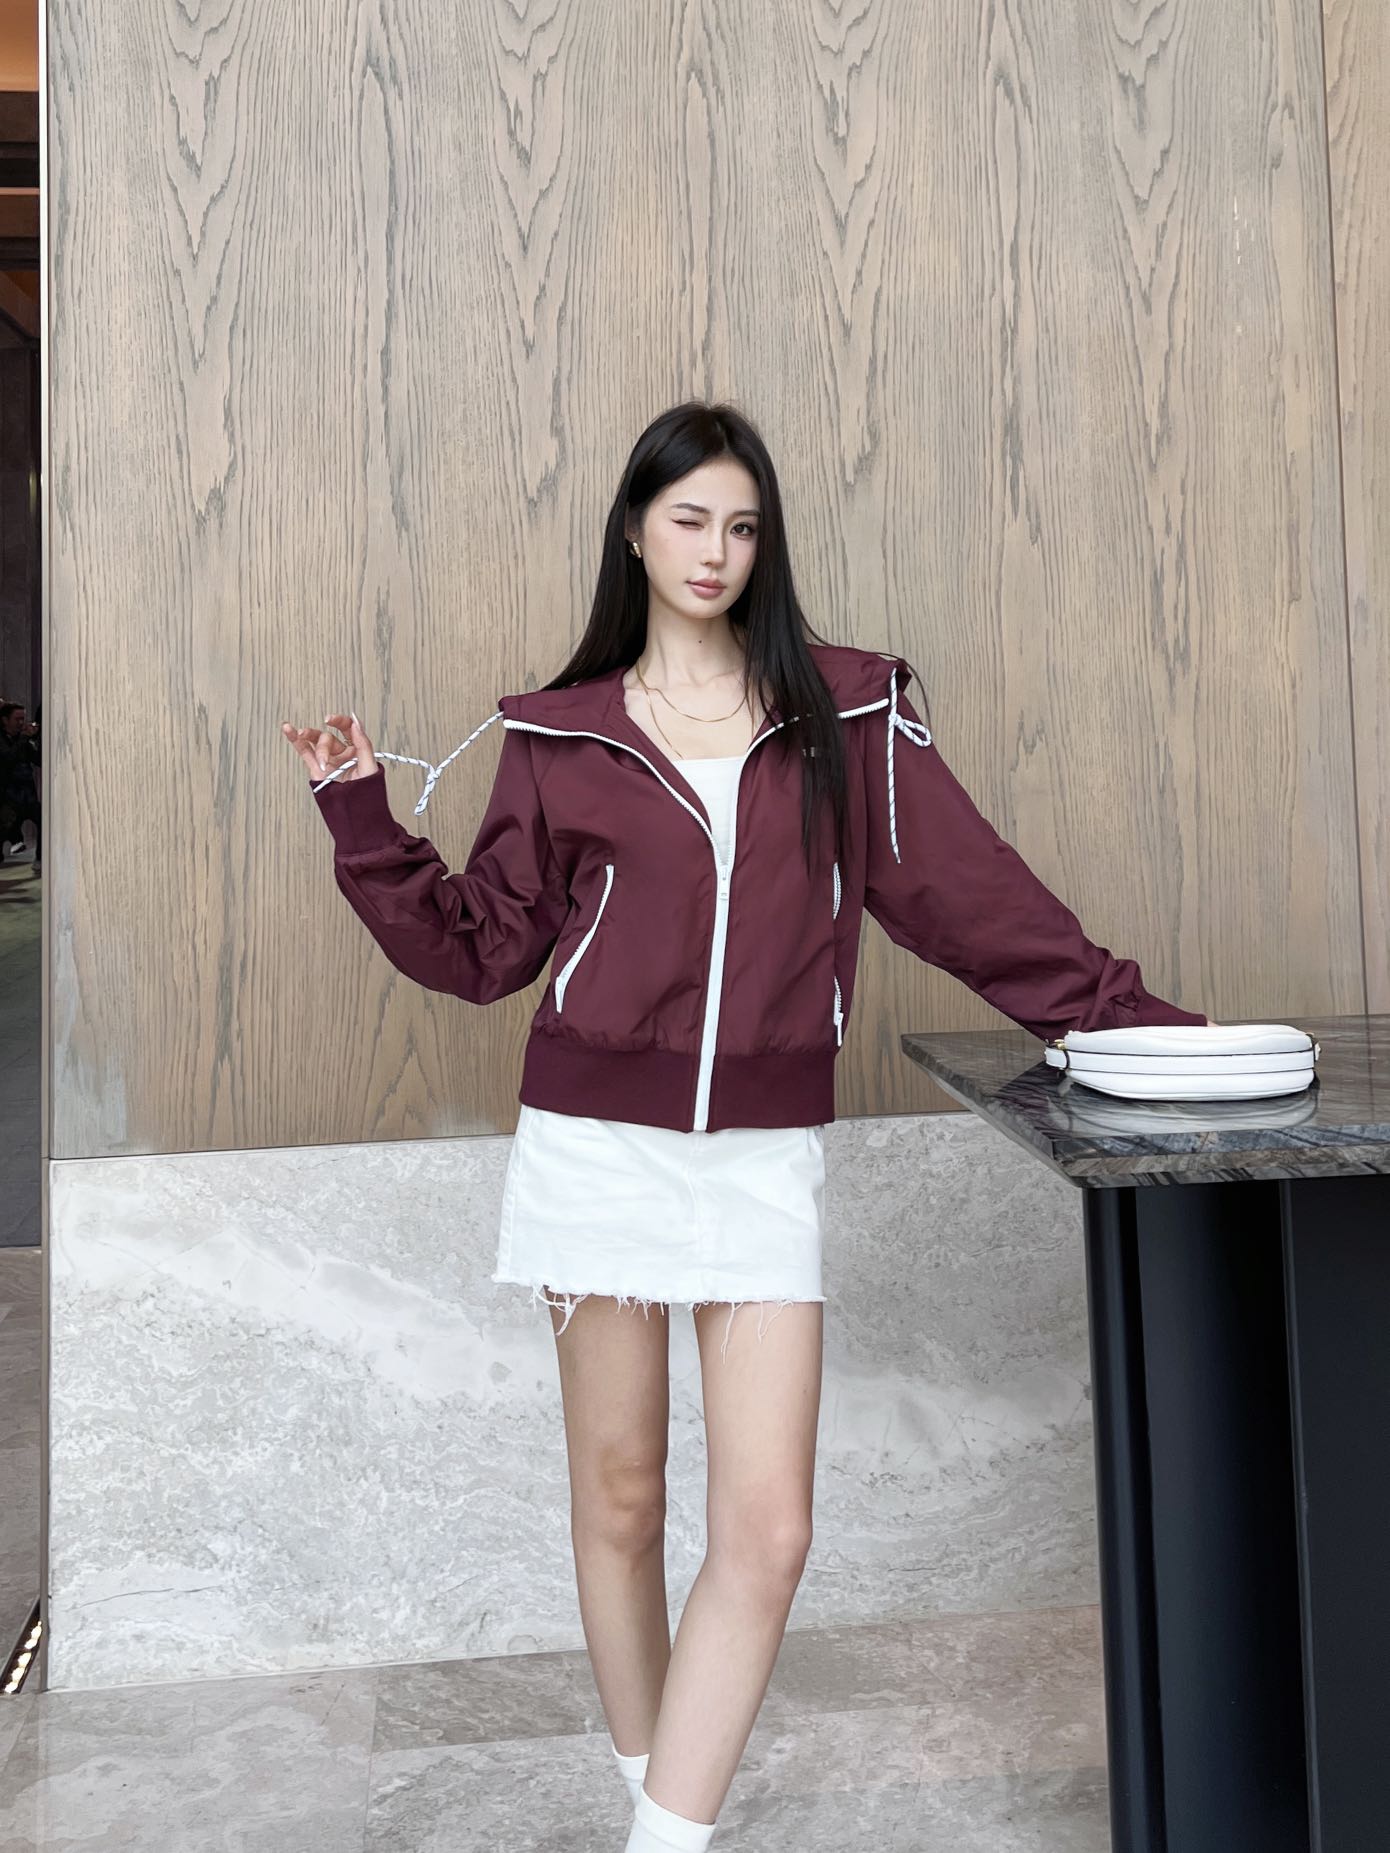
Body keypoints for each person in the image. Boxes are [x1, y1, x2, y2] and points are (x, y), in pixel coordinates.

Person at [283, 399, 1207, 1851]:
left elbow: (969, 900)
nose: (713, 550)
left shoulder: (845, 716)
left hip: (762, 1157)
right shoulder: (561, 734)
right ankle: (648, 1791)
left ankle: (667, 1836)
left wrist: (1136, 1028)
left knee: (767, 1529)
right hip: (594, 1143)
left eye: (741, 525)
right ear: (634, 533)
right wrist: (360, 817)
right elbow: (480, 950)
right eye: (687, 519)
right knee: (621, 1497)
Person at [0, 702, 41, 876]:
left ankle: (40, 859)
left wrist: (37, 738)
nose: (21, 723)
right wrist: (25, 738)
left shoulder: (23, 740)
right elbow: (7, 758)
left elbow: (39, 760)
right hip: (8, 799)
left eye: (23, 719)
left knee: (45, 822)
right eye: (17, 719)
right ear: (5, 720)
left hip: (28, 797)